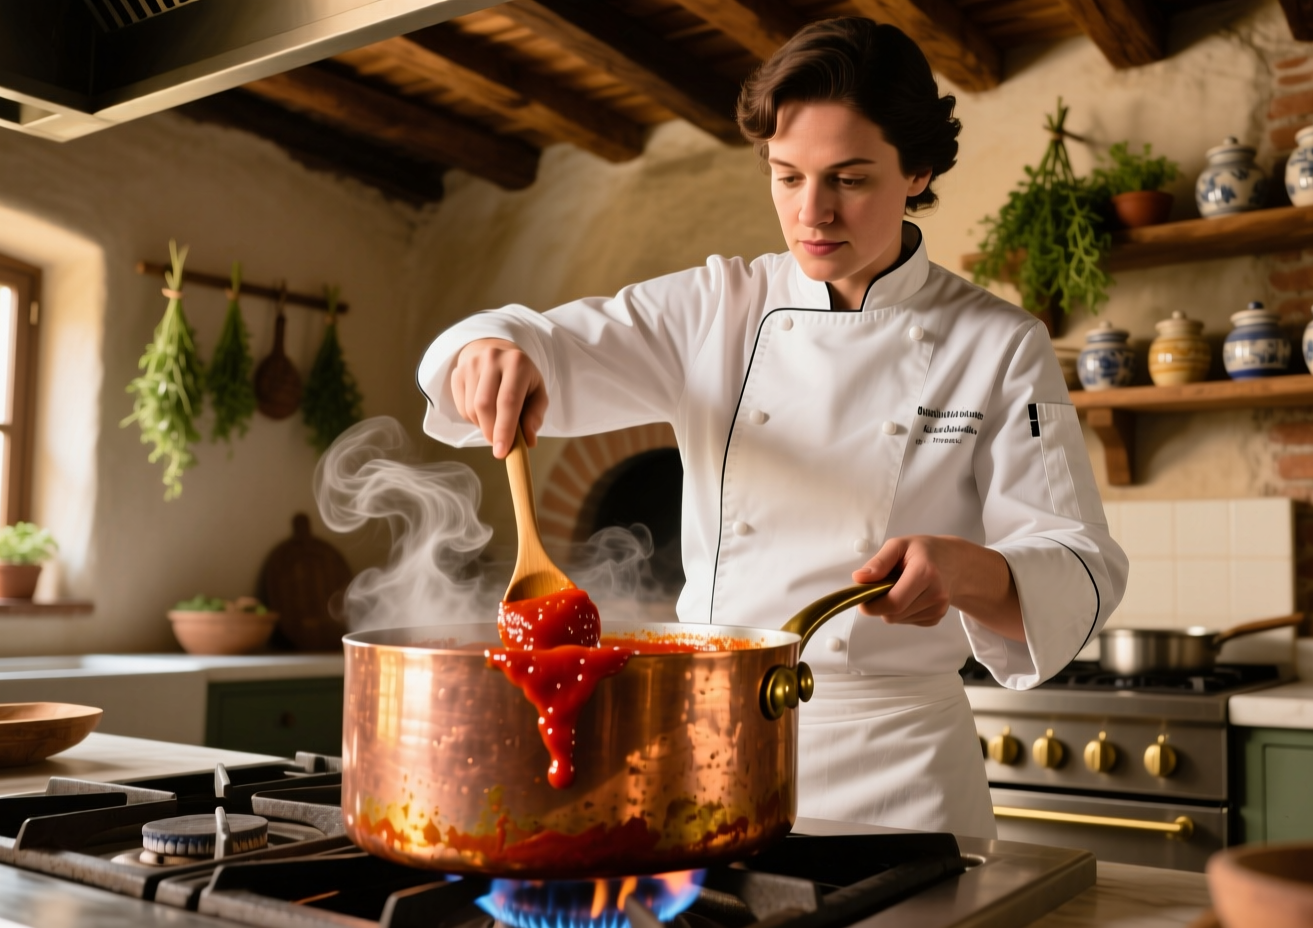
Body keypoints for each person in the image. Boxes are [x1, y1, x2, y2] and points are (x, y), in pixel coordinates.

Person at [416, 17, 1126, 839]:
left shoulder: (997, 344)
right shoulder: (717, 307)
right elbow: (538, 339)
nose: (812, 212)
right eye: (787, 177)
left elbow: (1082, 561)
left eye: (849, 179)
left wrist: (967, 571)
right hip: (709, 749)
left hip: (896, 770)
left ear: (918, 169)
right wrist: (487, 349)